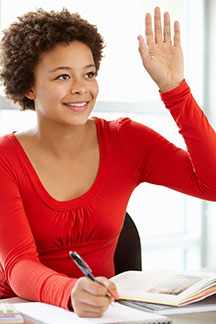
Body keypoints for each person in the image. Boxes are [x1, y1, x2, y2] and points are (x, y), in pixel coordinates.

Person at [0, 6, 215, 318]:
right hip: (22, 312)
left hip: (105, 313)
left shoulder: (127, 140)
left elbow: (212, 184)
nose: (81, 89)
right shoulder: (5, 158)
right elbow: (18, 264)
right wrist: (71, 292)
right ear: (28, 87)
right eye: (63, 76)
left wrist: (175, 90)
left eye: (89, 74)